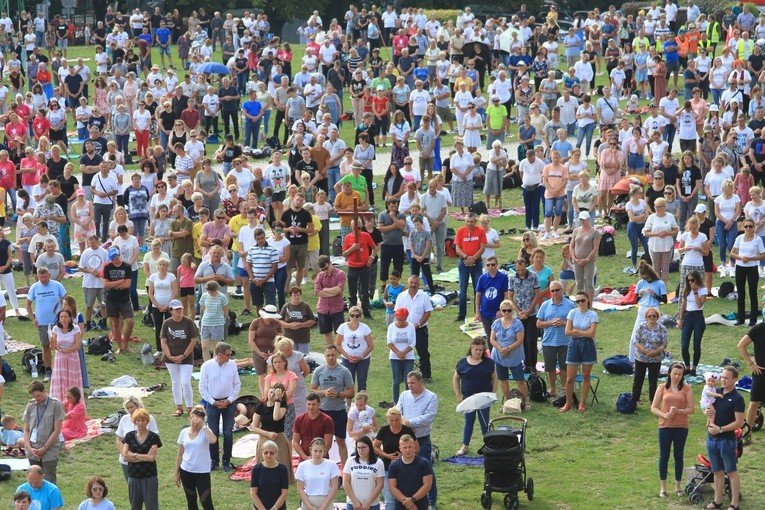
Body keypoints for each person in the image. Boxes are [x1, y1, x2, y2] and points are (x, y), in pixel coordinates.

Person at [650, 362, 695, 498]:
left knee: (678, 456)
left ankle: (677, 486)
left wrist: (679, 411)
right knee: (664, 456)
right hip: (665, 426)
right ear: (669, 373)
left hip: (681, 427)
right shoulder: (662, 387)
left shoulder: (687, 388)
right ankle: (663, 487)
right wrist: (665, 415)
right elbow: (653, 407)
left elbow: (692, 409)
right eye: (674, 373)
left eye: (680, 374)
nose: (677, 376)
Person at [703, 366, 745, 510]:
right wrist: (707, 413)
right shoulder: (716, 392)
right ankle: (717, 501)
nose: (723, 380)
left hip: (726, 440)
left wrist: (720, 429)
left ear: (734, 380)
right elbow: (706, 406)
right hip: (711, 438)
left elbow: (739, 422)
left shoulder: (737, 398)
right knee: (716, 471)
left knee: (731, 471)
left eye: (726, 378)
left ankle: (734, 504)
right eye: (722, 377)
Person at [397, 372, 438, 509]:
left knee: (427, 470)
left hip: (422, 440)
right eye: (408, 383)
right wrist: (406, 425)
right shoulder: (404, 395)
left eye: (412, 383)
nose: (410, 386)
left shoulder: (431, 397)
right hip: (406, 440)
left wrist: (410, 423)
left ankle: (431, 500)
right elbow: (398, 412)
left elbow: (429, 417)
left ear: (421, 382)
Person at [199, 342, 241, 472]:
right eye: (228, 354)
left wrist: (229, 400)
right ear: (219, 354)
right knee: (213, 433)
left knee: (228, 433)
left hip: (229, 403)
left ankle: (226, 461)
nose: (230, 357)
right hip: (213, 404)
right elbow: (202, 387)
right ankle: (214, 461)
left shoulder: (232, 365)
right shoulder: (206, 366)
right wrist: (213, 402)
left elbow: (237, 384)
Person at [311, 344, 355, 467]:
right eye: (328, 355)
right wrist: (324, 392)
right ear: (324, 356)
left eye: (333, 355)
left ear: (337, 355)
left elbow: (351, 392)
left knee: (341, 440)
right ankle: (321, 465)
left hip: (339, 410)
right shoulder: (319, 371)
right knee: (321, 442)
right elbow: (313, 389)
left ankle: (346, 469)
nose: (330, 358)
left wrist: (338, 394)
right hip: (323, 411)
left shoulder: (344, 371)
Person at [453, 338, 497, 456]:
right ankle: (465, 446)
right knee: (469, 422)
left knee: (484, 422)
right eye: (476, 349)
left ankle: (488, 445)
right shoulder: (462, 363)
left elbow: (494, 378)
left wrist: (493, 394)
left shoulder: (489, 363)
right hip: (468, 398)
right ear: (471, 348)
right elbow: (456, 379)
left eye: (481, 350)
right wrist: (458, 395)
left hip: (484, 398)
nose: (478, 352)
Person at [25, 267, 67, 382]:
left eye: (45, 277)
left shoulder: (57, 285)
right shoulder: (34, 287)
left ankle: (61, 368)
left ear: (49, 275)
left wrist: (64, 314)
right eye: (41, 277)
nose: (43, 279)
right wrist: (33, 318)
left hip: (57, 321)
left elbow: (66, 299)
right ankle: (48, 369)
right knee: (45, 346)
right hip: (42, 322)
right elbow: (28, 304)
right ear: (38, 276)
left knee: (60, 344)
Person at [561, 291, 599, 413]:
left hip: (588, 345)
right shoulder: (572, 312)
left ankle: (582, 403)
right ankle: (568, 402)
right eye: (578, 301)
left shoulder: (593, 314)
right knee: (569, 378)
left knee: (586, 375)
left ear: (587, 300)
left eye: (583, 300)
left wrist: (577, 331)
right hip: (574, 344)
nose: (581, 303)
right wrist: (584, 332)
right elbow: (567, 331)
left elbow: (592, 333)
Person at [536, 280, 576, 395]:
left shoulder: (570, 305)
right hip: (549, 341)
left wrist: (563, 323)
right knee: (550, 367)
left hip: (565, 341)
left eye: (557, 290)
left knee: (564, 367)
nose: (555, 293)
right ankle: (552, 389)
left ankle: (564, 389)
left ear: (562, 290)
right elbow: (538, 324)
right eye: (552, 291)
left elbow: (574, 323)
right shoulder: (545, 305)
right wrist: (550, 323)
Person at [160, 299, 198, 417]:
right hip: (171, 358)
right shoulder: (166, 323)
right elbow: (164, 341)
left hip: (186, 358)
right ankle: (179, 406)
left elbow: (193, 340)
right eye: (176, 309)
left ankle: (190, 407)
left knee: (185, 382)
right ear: (171, 311)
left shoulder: (188, 322)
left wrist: (184, 355)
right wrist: (170, 356)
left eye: (180, 309)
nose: (179, 311)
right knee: (175, 382)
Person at [250, 382, 294, 484]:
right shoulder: (260, 406)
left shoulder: (282, 406)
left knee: (280, 462)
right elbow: (254, 427)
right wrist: (268, 434)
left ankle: (281, 481)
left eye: (274, 394)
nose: (271, 395)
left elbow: (276, 417)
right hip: (265, 437)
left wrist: (278, 400)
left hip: (279, 437)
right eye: (270, 392)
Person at [175, 405, 217, 510]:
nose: (195, 422)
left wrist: (204, 426)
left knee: (206, 502)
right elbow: (180, 454)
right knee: (191, 501)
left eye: (198, 420)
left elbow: (213, 440)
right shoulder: (184, 432)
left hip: (202, 472)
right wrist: (177, 472)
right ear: (189, 417)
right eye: (193, 418)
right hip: (186, 470)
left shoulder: (205, 432)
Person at [22, 381, 64, 483]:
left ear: (44, 391)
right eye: (34, 396)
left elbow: (57, 429)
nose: (37, 399)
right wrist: (29, 448)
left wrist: (45, 448)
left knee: (49, 479)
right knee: (34, 480)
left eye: (39, 396)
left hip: (49, 449)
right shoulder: (31, 405)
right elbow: (26, 429)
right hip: (33, 449)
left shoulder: (55, 404)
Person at [394, 276, 433, 382]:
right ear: (407, 283)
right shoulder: (401, 296)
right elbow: (396, 312)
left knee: (423, 352)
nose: (413, 285)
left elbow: (428, 312)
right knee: (403, 351)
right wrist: (402, 324)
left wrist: (419, 324)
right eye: (411, 282)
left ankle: (426, 375)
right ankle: (402, 375)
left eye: (415, 283)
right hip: (404, 328)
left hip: (420, 329)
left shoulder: (424, 296)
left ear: (419, 285)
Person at [121, 408, 162, 510]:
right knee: (135, 506)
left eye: (143, 420)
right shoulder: (129, 436)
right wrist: (143, 456)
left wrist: (133, 455)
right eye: (138, 420)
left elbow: (151, 458)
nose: (140, 423)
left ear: (147, 421)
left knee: (151, 506)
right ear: (134, 421)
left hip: (149, 476)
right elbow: (125, 456)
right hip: (133, 476)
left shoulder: (153, 437)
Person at [628, 262, 667, 363]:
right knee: (634, 337)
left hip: (654, 309)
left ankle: (656, 359)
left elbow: (665, 300)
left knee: (657, 336)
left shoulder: (660, 283)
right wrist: (640, 295)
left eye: (646, 278)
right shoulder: (640, 283)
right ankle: (631, 361)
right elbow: (636, 299)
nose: (645, 280)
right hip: (642, 310)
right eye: (643, 278)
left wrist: (654, 294)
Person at [731, 218, 765, 326]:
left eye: (751, 226)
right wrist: (741, 258)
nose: (748, 228)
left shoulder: (758, 239)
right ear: (743, 227)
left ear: (754, 227)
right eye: (746, 226)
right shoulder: (739, 238)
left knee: (752, 293)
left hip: (752, 267)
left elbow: (763, 254)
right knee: (741, 293)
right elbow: (732, 253)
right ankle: (740, 319)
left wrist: (752, 258)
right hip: (740, 267)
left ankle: (753, 319)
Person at [116, 396, 159, 481]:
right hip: (127, 462)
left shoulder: (149, 418)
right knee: (131, 487)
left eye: (132, 407)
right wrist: (125, 455)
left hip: (145, 462)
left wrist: (138, 457)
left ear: (138, 406)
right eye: (127, 408)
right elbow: (119, 439)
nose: (130, 410)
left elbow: (154, 440)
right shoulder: (124, 419)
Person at [632, 307, 668, 405]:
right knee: (638, 379)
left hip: (655, 359)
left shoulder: (662, 329)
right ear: (646, 317)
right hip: (641, 358)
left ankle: (653, 401)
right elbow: (635, 341)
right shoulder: (640, 327)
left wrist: (657, 352)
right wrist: (642, 350)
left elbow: (664, 344)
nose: (652, 317)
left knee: (653, 381)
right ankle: (635, 400)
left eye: (654, 315)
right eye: (649, 316)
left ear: (657, 317)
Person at [387, 434, 434, 510]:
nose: (408, 450)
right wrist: (408, 503)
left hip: (421, 505)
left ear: (414, 447)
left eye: (410, 447)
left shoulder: (424, 463)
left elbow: (427, 485)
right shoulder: (394, 465)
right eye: (405, 447)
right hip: (401, 505)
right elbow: (392, 487)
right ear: (400, 448)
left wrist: (412, 500)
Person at [454, 212, 486, 322]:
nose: (469, 224)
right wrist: (466, 257)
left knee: (478, 289)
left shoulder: (480, 231)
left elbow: (482, 248)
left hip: (477, 263)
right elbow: (457, 248)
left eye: (471, 221)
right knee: (462, 289)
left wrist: (473, 258)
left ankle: (478, 313)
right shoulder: (460, 231)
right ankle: (461, 314)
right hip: (463, 263)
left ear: (475, 221)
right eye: (467, 221)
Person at [102, 247, 135, 354]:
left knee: (130, 321)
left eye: (116, 258)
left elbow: (127, 285)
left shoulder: (126, 266)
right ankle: (120, 347)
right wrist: (120, 281)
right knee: (115, 323)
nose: (115, 261)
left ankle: (125, 344)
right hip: (111, 298)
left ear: (119, 255)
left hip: (124, 298)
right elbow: (105, 284)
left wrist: (113, 284)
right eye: (112, 259)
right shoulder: (107, 267)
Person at [336, 306, 374, 396]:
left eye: (357, 316)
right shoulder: (343, 327)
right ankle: (348, 405)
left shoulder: (365, 328)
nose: (354, 318)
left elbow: (371, 345)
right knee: (348, 382)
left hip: (363, 359)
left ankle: (362, 403)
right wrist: (348, 356)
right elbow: (337, 344)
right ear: (349, 316)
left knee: (362, 381)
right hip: (347, 359)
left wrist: (361, 357)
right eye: (352, 315)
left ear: (360, 317)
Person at [48, 309, 83, 403]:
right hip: (60, 358)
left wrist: (65, 350)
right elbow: (54, 346)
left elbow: (77, 346)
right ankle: (59, 401)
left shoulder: (75, 329)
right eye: (61, 317)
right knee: (60, 378)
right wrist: (52, 341)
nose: (63, 319)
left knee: (72, 379)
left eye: (65, 316)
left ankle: (73, 401)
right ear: (59, 319)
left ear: (70, 318)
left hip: (72, 358)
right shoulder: (56, 329)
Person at [296, 437, 340, 510]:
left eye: (320, 451)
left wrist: (323, 507)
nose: (317, 454)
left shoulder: (331, 464)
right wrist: (309, 507)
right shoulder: (302, 465)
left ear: (324, 451)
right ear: (310, 450)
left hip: (326, 501)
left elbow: (334, 488)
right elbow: (300, 489)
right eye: (315, 451)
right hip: (308, 501)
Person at [343, 434, 385, 510]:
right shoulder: (350, 461)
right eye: (358, 447)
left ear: (370, 448)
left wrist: (367, 503)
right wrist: (355, 502)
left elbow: (380, 485)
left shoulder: (378, 463)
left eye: (363, 447)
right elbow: (345, 482)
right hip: (353, 504)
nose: (360, 450)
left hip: (372, 504)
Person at [678, 270, 708, 376]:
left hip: (698, 317)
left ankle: (694, 367)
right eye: (688, 280)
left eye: (692, 280)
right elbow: (683, 304)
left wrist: (695, 292)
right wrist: (680, 318)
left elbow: (699, 304)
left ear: (697, 279)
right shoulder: (686, 290)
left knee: (696, 345)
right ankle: (687, 367)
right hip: (688, 316)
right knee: (684, 345)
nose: (690, 282)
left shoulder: (703, 290)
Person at [643, 197, 679, 285]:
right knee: (656, 267)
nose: (657, 208)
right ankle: (656, 285)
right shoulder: (651, 217)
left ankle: (663, 286)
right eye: (655, 206)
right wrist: (656, 234)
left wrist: (667, 233)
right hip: (654, 246)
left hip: (667, 246)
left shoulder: (670, 217)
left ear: (664, 207)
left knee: (665, 268)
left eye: (659, 206)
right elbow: (646, 232)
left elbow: (675, 230)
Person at [737, 324, 765, 433]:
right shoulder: (758, 329)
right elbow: (741, 345)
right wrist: (751, 364)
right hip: (760, 372)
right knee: (754, 403)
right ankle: (748, 433)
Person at [315, 255, 347, 345]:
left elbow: (339, 289)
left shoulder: (340, 274)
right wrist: (334, 292)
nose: (325, 271)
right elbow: (317, 292)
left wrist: (325, 290)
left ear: (330, 263)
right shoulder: (320, 275)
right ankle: (331, 350)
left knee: (340, 332)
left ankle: (340, 349)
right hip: (323, 309)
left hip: (337, 308)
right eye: (323, 270)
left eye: (326, 268)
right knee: (327, 332)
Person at [569, 211, 601, 303]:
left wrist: (587, 259)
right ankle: (580, 302)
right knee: (579, 283)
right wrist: (574, 258)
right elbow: (571, 245)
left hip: (589, 260)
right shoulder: (576, 231)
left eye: (583, 219)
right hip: (577, 260)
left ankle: (590, 304)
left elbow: (595, 248)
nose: (582, 221)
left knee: (589, 282)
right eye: (580, 219)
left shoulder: (595, 232)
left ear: (588, 219)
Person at [249, 440, 290, 510]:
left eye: (271, 453)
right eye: (265, 452)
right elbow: (253, 493)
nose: (268, 455)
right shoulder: (256, 469)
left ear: (276, 454)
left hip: (278, 508)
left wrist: (274, 508)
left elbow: (284, 493)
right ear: (262, 453)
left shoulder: (282, 469)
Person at [279, 286, 316, 355]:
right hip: (289, 339)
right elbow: (280, 321)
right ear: (290, 296)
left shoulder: (305, 306)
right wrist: (289, 325)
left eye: (298, 295)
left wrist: (302, 325)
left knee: (304, 358)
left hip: (303, 338)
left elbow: (312, 320)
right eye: (294, 295)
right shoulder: (286, 306)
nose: (296, 297)